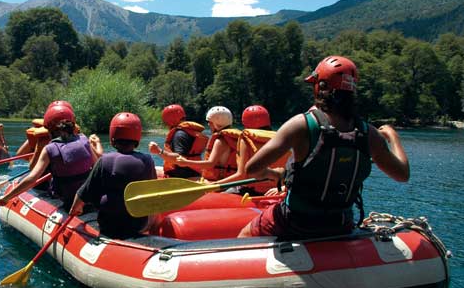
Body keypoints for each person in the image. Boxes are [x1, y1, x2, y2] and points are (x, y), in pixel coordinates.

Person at [237, 55, 410, 239]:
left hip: (295, 222)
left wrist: (273, 174)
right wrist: (393, 137)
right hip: (340, 224)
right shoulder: (369, 134)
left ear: (320, 87)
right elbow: (403, 175)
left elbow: (252, 169)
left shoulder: (301, 124)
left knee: (245, 235)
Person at [70, 112, 157, 239]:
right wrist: (150, 224)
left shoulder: (105, 160)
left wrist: (74, 209)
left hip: (109, 226)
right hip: (138, 225)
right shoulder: (148, 161)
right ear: (137, 138)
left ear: (112, 138)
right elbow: (153, 195)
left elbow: (84, 191)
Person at [0, 104, 100, 211]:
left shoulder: (49, 149)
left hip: (68, 199)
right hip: (90, 195)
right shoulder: (84, 140)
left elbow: (32, 178)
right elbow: (98, 168)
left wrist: (6, 198)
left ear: (48, 128)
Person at [211, 105, 289, 195]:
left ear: (245, 122)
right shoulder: (281, 137)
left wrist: (216, 184)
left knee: (220, 195)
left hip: (251, 191)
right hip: (276, 189)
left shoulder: (246, 138)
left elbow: (241, 175)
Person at [175, 106, 239, 181]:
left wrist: (186, 162)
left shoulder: (220, 141)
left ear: (217, 124)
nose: (208, 125)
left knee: (185, 180)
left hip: (220, 181)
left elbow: (210, 164)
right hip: (228, 179)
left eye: (210, 122)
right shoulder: (234, 138)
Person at [148, 104, 208, 178]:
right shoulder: (189, 132)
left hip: (182, 176)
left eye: (165, 122)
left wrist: (158, 151)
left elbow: (179, 159)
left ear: (170, 121)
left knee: (148, 171)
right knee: (155, 169)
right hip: (193, 172)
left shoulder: (179, 135)